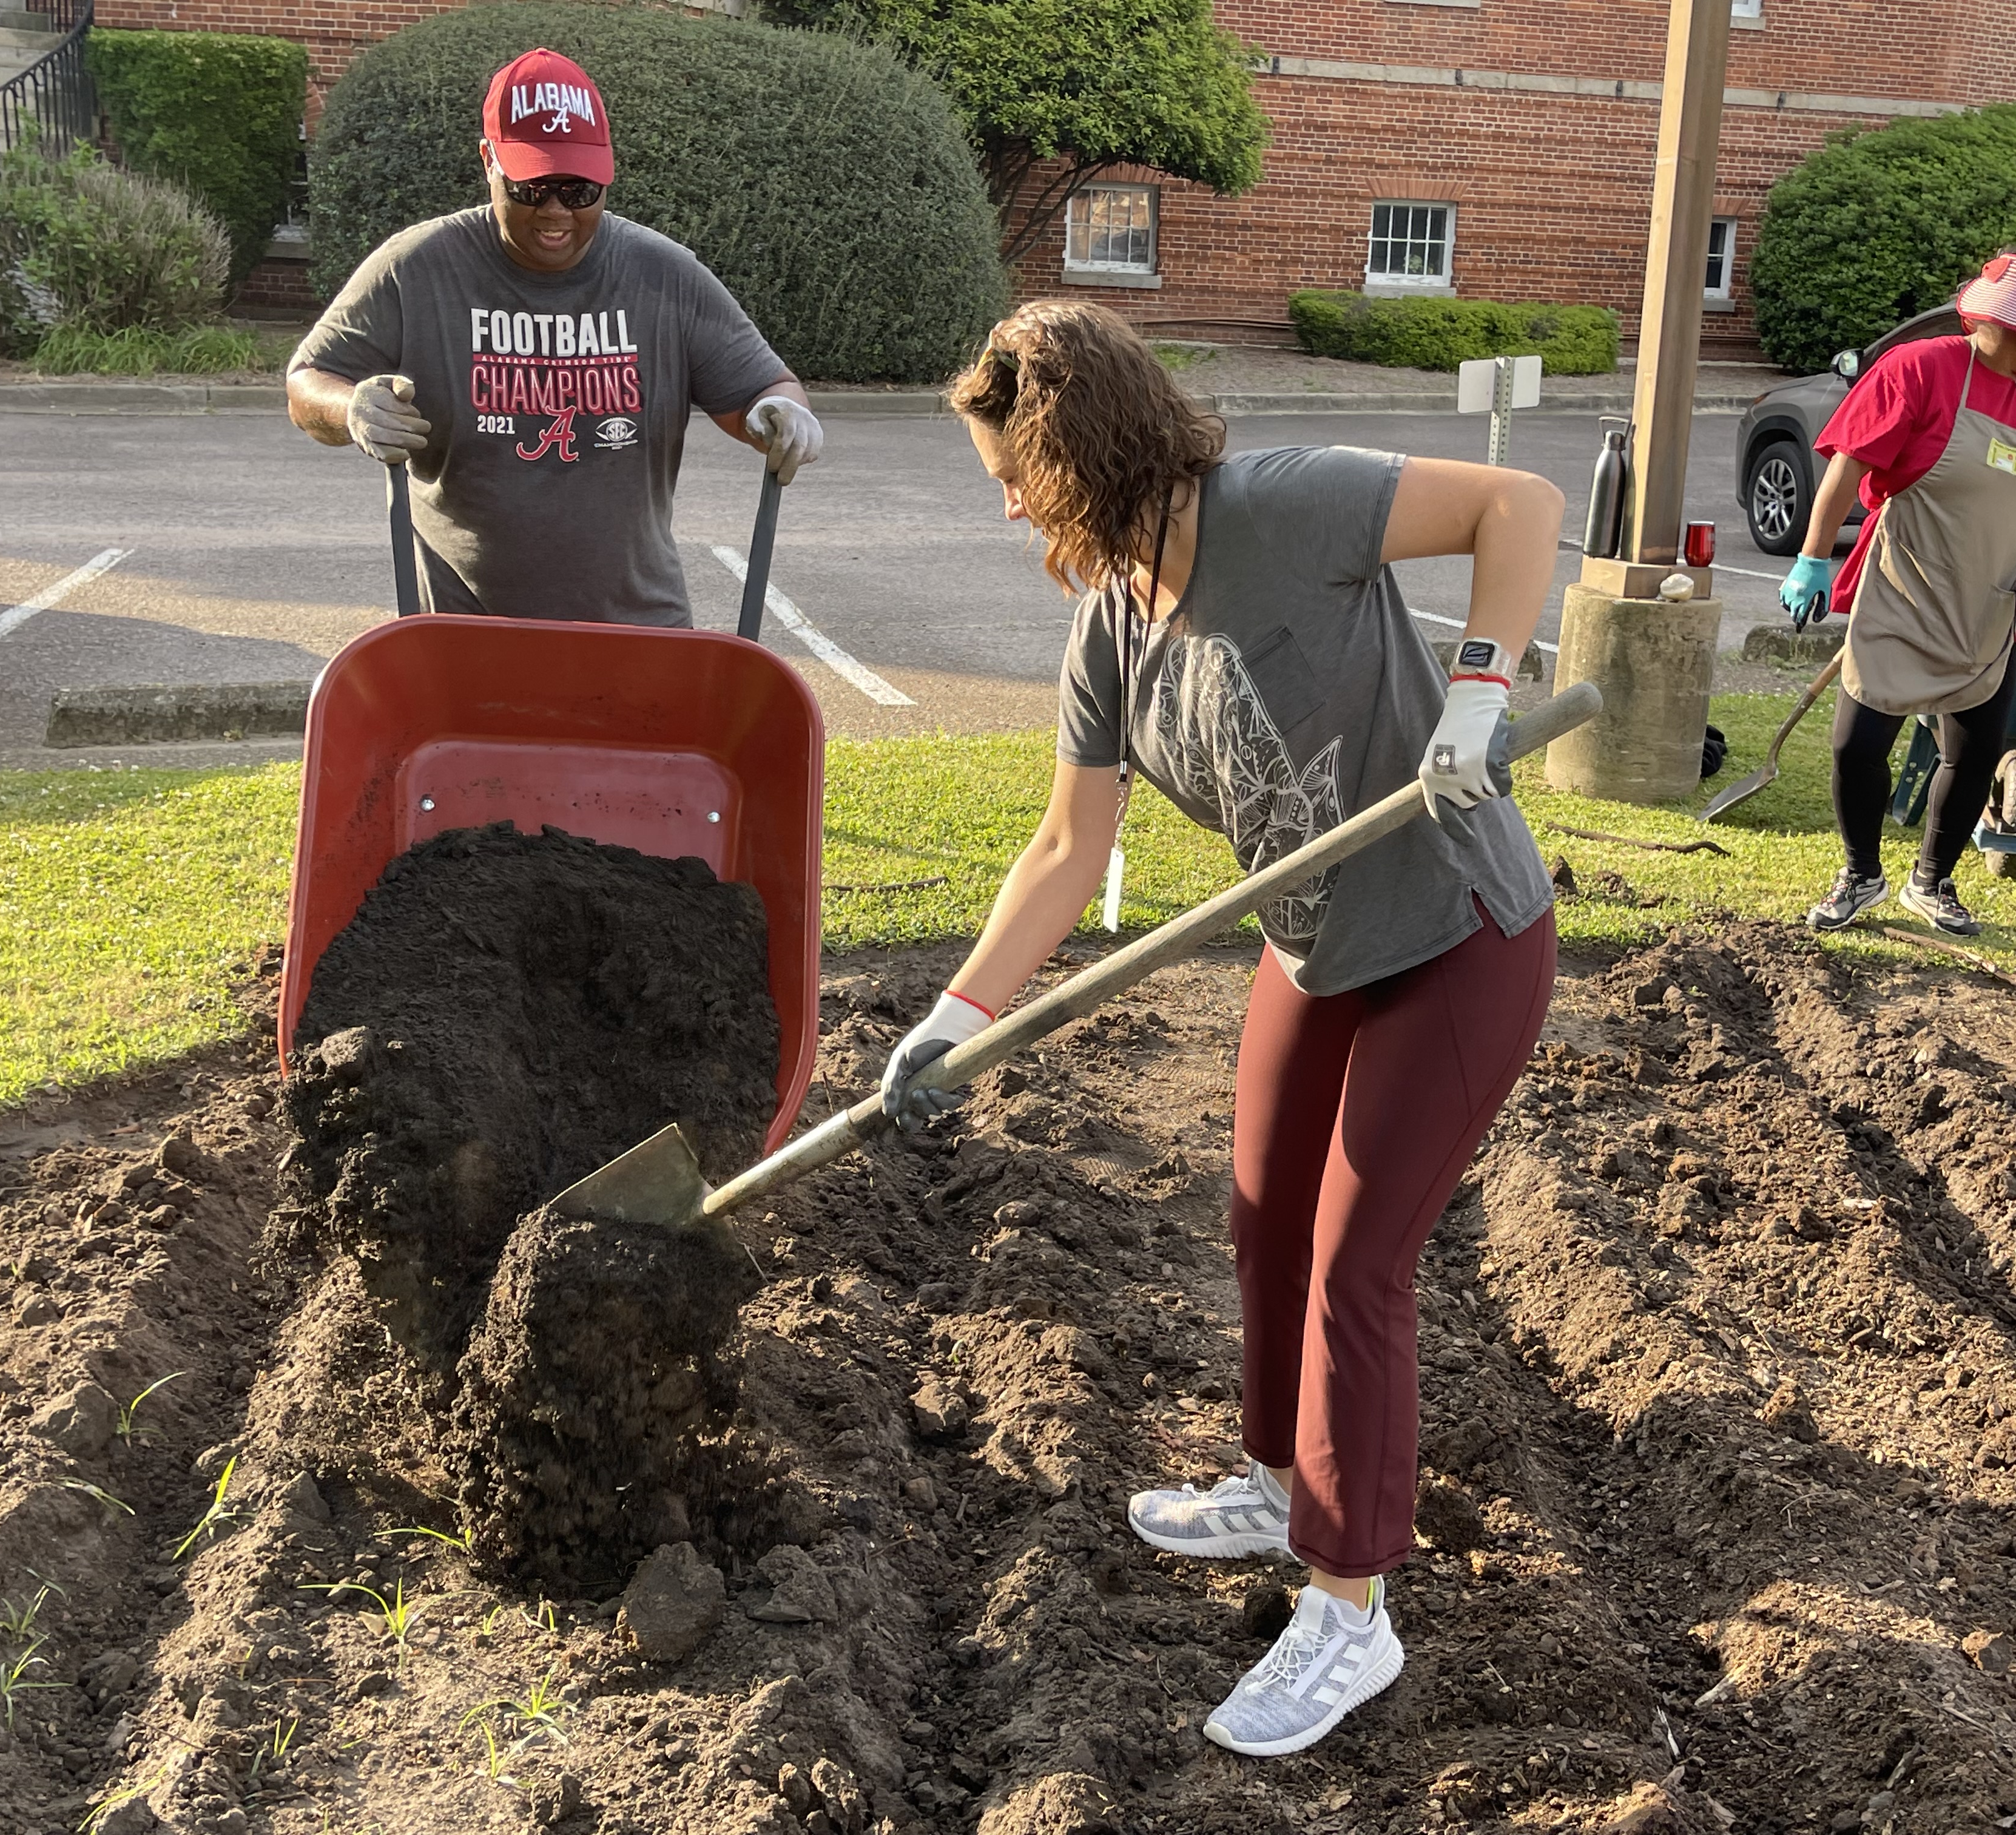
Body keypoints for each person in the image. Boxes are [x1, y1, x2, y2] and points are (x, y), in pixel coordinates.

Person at [878, 301, 1561, 1758]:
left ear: (1080, 454)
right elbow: (1067, 847)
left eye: (1014, 472)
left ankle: (1350, 1609)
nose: (1003, 502)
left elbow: (1523, 500)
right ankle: (1276, 1478)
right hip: (1318, 945)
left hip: (1456, 935)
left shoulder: (1288, 507)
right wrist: (958, 1013)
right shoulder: (1113, 622)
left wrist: (1480, 693)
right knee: (1262, 1219)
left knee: (1353, 1267)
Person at [286, 47, 824, 624]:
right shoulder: (416, 268)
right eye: (531, 187)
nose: (555, 212)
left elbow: (761, 390)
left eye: (579, 191)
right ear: (488, 161)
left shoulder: (664, 275)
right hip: (464, 632)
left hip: (637, 631)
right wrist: (351, 409)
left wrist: (781, 414)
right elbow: (308, 382)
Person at [1779, 248, 2016, 937]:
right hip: (1904, 586)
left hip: (1991, 603)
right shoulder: (1919, 370)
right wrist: (1811, 558)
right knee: (1857, 745)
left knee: (1973, 750)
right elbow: (1850, 465)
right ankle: (1860, 875)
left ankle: (1933, 881)